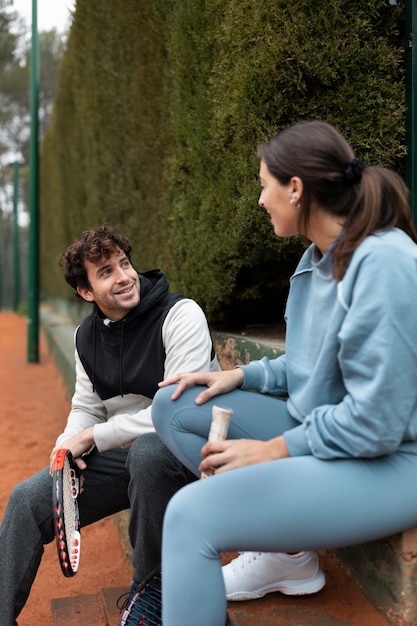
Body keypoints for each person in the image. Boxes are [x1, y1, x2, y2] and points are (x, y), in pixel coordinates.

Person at [152, 119, 417, 626]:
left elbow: (377, 423)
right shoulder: (313, 260)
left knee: (191, 514)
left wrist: (273, 452)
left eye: (263, 184)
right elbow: (305, 364)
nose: (260, 199)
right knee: (175, 404)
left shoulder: (385, 262)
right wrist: (242, 377)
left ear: (295, 188)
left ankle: (278, 545)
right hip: (323, 436)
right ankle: (287, 553)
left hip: (394, 461)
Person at [0, 224, 220, 626]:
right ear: (86, 292)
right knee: (25, 499)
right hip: (132, 459)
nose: (124, 277)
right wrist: (67, 448)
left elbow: (178, 411)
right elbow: (86, 407)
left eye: (124, 263)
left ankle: (151, 596)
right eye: (106, 272)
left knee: (149, 452)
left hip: (199, 455)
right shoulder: (87, 337)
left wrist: (95, 436)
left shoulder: (181, 314)